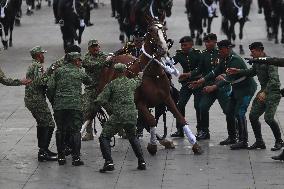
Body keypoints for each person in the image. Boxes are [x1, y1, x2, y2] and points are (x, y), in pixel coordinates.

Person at [191, 40, 257, 150]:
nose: (219, 52)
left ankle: (243, 140)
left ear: (227, 49)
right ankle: (232, 137)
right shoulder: (226, 58)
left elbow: (228, 78)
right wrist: (201, 80)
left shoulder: (235, 59)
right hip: (237, 88)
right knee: (229, 111)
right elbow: (215, 71)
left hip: (246, 89)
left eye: (220, 50)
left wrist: (213, 87)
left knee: (239, 113)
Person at [227, 42, 284, 151]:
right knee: (253, 116)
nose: (251, 54)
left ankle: (279, 141)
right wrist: (239, 71)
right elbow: (252, 72)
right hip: (263, 92)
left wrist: (265, 92)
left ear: (260, 50)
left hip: (272, 92)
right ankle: (259, 141)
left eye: (253, 52)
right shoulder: (257, 62)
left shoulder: (270, 62)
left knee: (269, 118)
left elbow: (274, 81)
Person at [95, 63, 146, 173]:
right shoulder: (130, 82)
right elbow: (138, 81)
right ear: (125, 71)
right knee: (133, 136)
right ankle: (141, 161)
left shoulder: (111, 85)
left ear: (115, 72)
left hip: (117, 116)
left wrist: (110, 108)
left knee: (104, 137)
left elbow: (100, 100)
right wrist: (140, 75)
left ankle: (108, 161)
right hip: (131, 115)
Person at [187, 33, 231, 141]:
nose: (206, 44)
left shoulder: (221, 53)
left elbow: (226, 69)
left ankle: (235, 132)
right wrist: (190, 74)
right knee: (202, 106)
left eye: (209, 42)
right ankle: (205, 131)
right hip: (208, 86)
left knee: (227, 110)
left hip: (221, 86)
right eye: (205, 42)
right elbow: (199, 69)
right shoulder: (203, 54)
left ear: (215, 42)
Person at [50, 52, 92, 166]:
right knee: (75, 131)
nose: (80, 62)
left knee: (60, 130)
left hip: (60, 106)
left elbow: (50, 88)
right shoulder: (79, 72)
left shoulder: (58, 71)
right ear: (75, 61)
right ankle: (76, 158)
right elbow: (89, 82)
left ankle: (61, 157)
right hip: (75, 106)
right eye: (79, 60)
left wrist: (54, 101)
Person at [24, 46, 57, 162]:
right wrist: (50, 72)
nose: (44, 56)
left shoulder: (33, 65)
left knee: (42, 123)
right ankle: (43, 152)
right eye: (42, 54)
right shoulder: (37, 66)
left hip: (33, 99)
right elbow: (39, 81)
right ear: (38, 55)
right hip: (36, 99)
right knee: (49, 124)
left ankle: (44, 150)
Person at [170, 36, 201, 138]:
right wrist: (166, 60)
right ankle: (180, 129)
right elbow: (171, 62)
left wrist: (190, 75)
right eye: (182, 45)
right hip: (186, 83)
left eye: (185, 45)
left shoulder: (198, 54)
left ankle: (201, 130)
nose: (183, 47)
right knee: (180, 105)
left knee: (198, 106)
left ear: (191, 44)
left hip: (198, 82)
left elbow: (202, 68)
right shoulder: (180, 54)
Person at [81, 39, 110, 141]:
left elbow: (111, 63)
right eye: (93, 47)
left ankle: (121, 131)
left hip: (103, 88)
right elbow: (91, 64)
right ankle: (89, 133)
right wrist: (105, 61)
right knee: (86, 110)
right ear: (89, 49)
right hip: (91, 88)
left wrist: (110, 59)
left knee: (113, 109)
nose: (95, 48)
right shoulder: (86, 58)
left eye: (96, 46)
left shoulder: (104, 55)